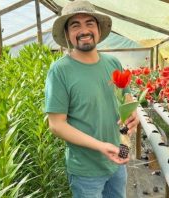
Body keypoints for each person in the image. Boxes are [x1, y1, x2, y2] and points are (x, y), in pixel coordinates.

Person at [45, 0, 139, 197]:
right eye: (75, 25)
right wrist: (101, 147)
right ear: (67, 34)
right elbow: (56, 124)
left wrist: (134, 116)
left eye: (89, 23)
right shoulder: (60, 71)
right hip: (86, 170)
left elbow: (127, 99)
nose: (84, 30)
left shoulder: (113, 62)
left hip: (117, 161)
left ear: (98, 29)